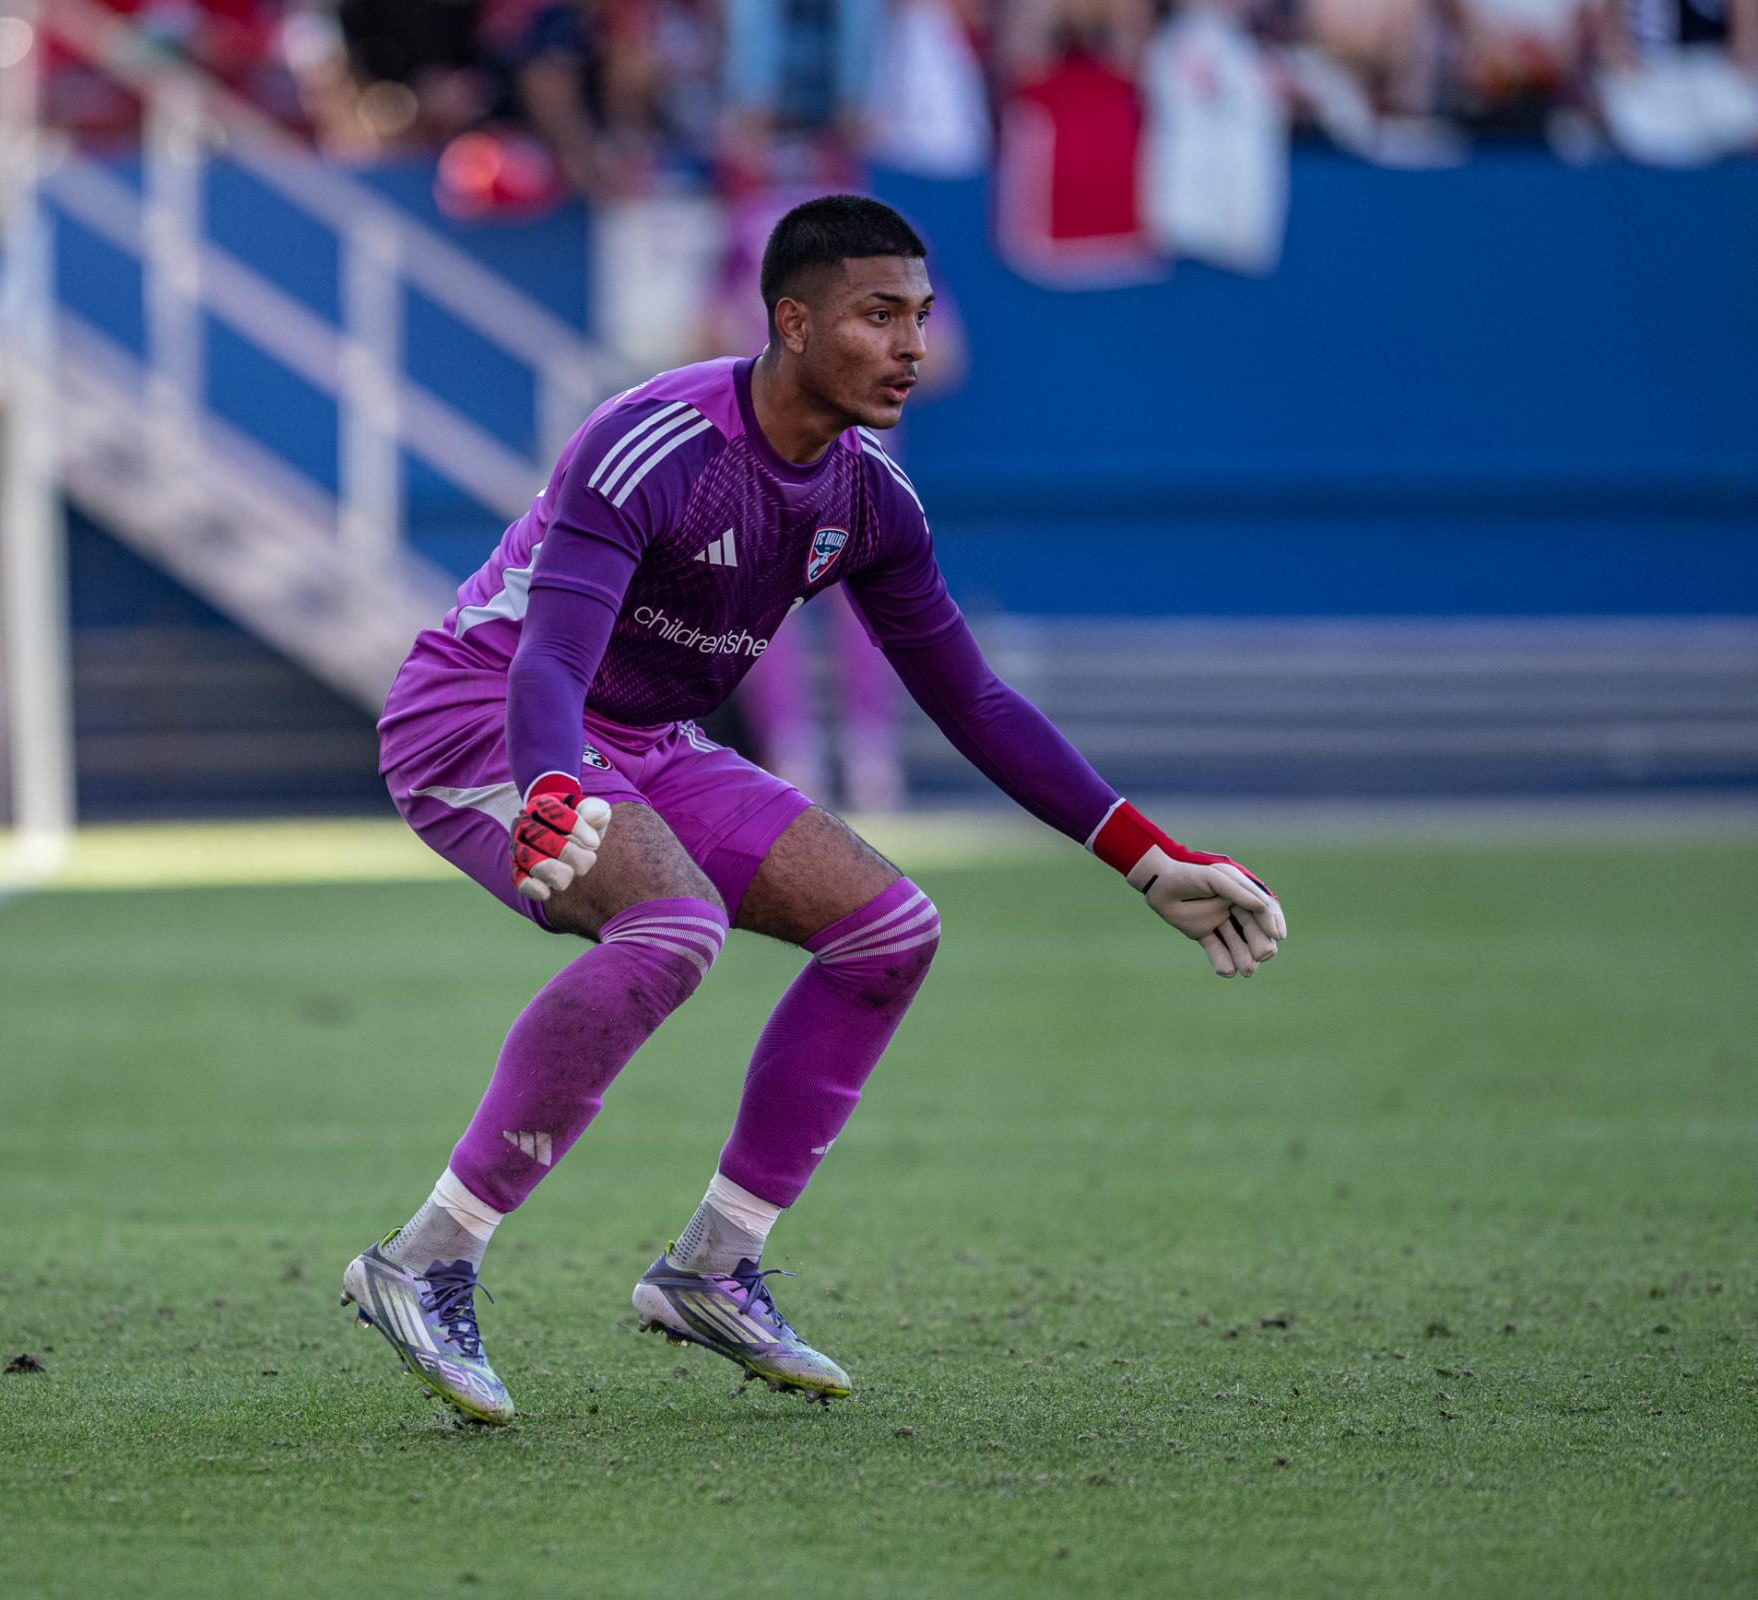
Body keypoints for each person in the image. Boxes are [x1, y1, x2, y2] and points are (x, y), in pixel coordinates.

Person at [346, 195, 1287, 1425]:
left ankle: (714, 1265)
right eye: (877, 316)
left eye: (920, 318)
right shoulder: (651, 440)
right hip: (481, 716)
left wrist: (1142, 856)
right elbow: (547, 663)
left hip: (642, 742)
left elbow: (974, 701)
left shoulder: (873, 501)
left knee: (889, 930)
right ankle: (425, 1256)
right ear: (792, 323)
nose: (911, 347)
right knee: (673, 929)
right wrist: (549, 786)